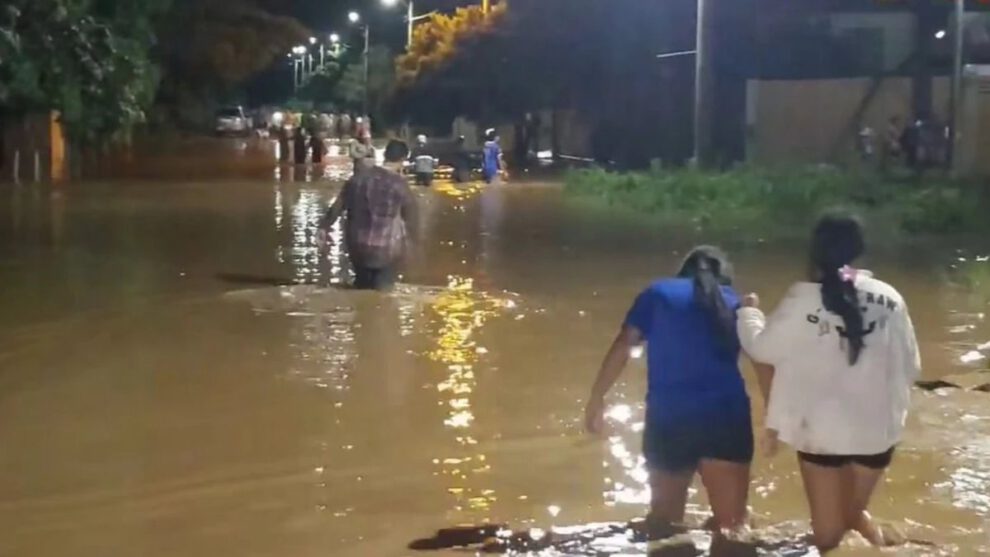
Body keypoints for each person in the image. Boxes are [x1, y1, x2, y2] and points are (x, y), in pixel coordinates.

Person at [737, 214, 921, 553]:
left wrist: (748, 313)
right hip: (876, 436)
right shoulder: (890, 297)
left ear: (813, 253)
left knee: (828, 537)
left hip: (821, 435)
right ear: (860, 252)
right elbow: (911, 366)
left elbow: (761, 348)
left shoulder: (803, 298)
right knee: (852, 516)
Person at [584, 247, 762, 537]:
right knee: (733, 527)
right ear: (723, 278)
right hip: (725, 418)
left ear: (682, 273)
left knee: (664, 523)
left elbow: (624, 345)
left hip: (669, 420)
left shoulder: (657, 294)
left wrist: (597, 397)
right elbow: (761, 357)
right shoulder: (734, 302)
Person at [317, 141, 419, 291]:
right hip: (386, 251)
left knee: (361, 289)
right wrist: (413, 247)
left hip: (358, 248)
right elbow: (412, 219)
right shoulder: (400, 185)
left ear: (384, 155)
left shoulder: (358, 179)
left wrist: (323, 228)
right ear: (403, 159)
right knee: (383, 298)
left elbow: (336, 208)